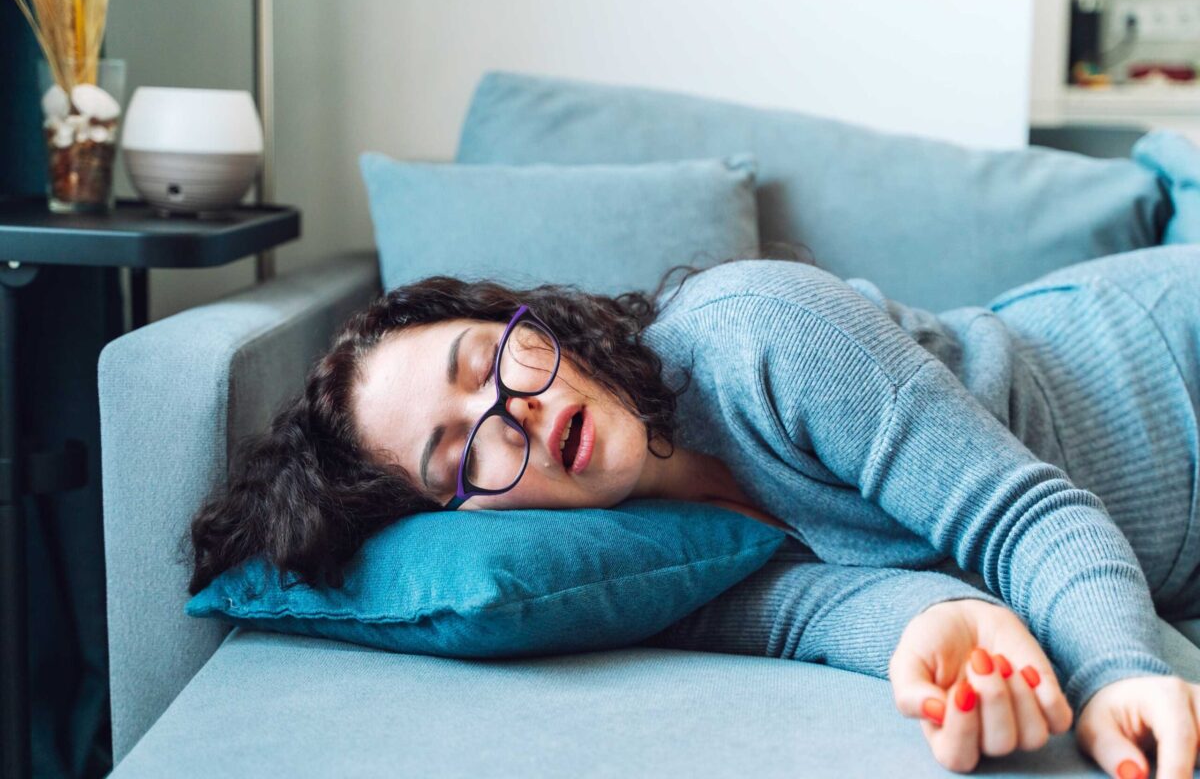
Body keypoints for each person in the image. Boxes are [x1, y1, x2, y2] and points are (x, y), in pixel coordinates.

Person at [187, 244, 1200, 779]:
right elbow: (810, 610)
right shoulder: (634, 561)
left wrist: (1116, 667)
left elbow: (1023, 516)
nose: (517, 413)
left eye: (491, 359)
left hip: (1167, 363)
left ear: (529, 323)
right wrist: (939, 630)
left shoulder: (760, 332)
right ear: (461, 513)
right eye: (464, 447)